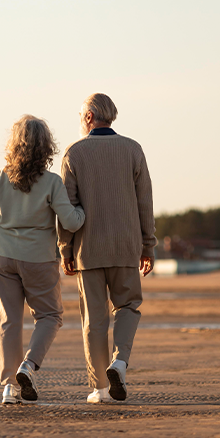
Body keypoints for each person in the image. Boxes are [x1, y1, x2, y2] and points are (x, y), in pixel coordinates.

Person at [0, 115, 85, 405]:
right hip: (38, 259)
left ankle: (9, 388)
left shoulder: (0, 178)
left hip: (3, 257)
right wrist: (83, 211)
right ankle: (28, 366)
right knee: (49, 316)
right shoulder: (51, 183)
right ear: (46, 147)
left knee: (8, 322)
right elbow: (71, 222)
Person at [58, 93, 156, 404]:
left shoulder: (74, 153)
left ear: (88, 117)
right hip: (126, 245)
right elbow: (145, 203)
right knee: (127, 307)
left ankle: (100, 388)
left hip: (88, 249)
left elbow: (66, 208)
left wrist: (65, 251)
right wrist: (148, 245)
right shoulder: (132, 149)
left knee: (94, 320)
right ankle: (120, 363)